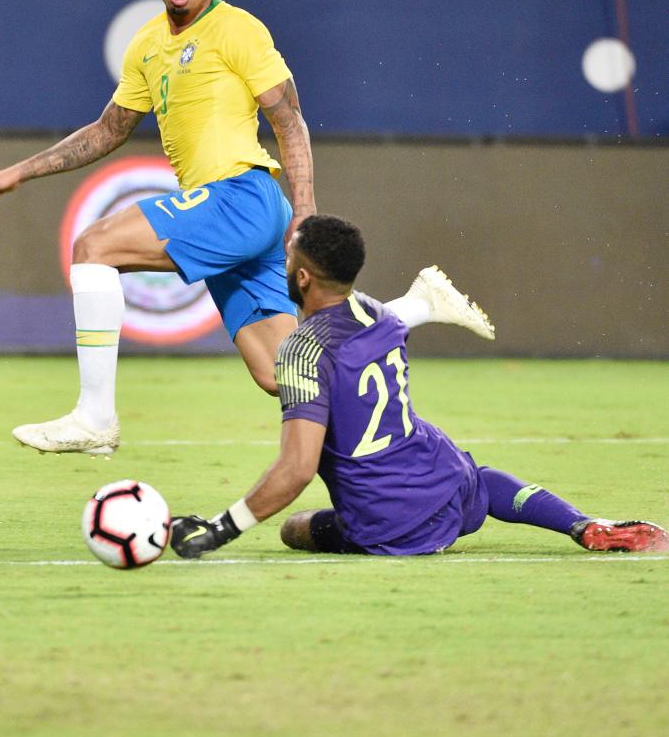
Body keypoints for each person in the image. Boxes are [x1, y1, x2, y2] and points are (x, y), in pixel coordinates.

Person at [0, 0, 316, 456]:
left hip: (241, 198)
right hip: (236, 219)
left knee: (92, 247)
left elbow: (289, 118)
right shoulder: (147, 44)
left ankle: (95, 417)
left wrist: (305, 211)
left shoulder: (238, 29)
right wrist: (18, 172)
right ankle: (410, 316)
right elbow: (107, 131)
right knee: (283, 373)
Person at [170, 214, 669, 560]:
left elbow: (298, 468)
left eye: (287, 256)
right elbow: (379, 326)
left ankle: (396, 530)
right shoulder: (376, 314)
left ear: (301, 277)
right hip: (443, 478)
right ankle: (581, 524)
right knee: (481, 477)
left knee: (294, 529)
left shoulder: (303, 350)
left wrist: (221, 527)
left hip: (389, 524)